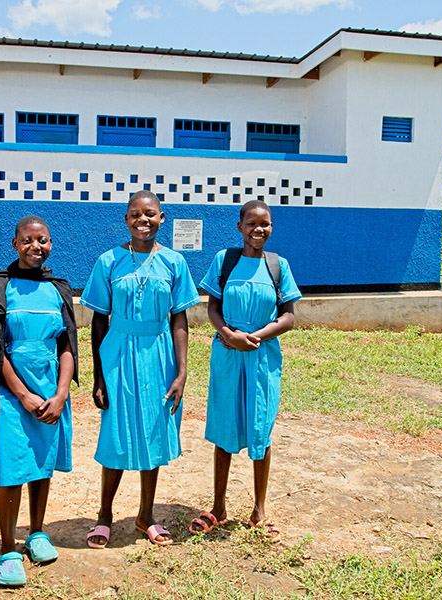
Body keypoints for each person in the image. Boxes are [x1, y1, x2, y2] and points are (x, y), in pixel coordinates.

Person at [80, 190, 200, 548]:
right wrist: (99, 375)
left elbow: (179, 319)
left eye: (150, 214)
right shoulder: (109, 261)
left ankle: (145, 514)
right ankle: (104, 515)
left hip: (159, 354)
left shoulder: (175, 263)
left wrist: (181, 372)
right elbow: (99, 321)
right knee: (116, 433)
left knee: (153, 433)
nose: (143, 220)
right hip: (118, 354)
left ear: (162, 218)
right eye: (135, 214)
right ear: (126, 219)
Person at [0, 215, 79, 587]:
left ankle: (36, 533)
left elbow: (66, 345)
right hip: (12, 392)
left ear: (51, 243)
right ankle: (7, 549)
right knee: (11, 469)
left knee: (41, 465)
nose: (37, 246)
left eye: (44, 240)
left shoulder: (59, 289)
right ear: (15, 244)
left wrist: (61, 393)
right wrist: (22, 394)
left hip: (51, 391)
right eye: (29, 240)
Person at [190, 200, 301, 539]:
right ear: (240, 227)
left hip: (262, 355)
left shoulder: (278, 265)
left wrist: (254, 336)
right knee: (225, 427)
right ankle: (219, 507)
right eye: (251, 223)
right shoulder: (225, 261)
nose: (258, 229)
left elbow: (289, 317)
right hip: (227, 353)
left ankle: (259, 510)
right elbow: (213, 307)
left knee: (261, 427)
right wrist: (228, 334)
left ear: (271, 227)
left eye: (264, 223)